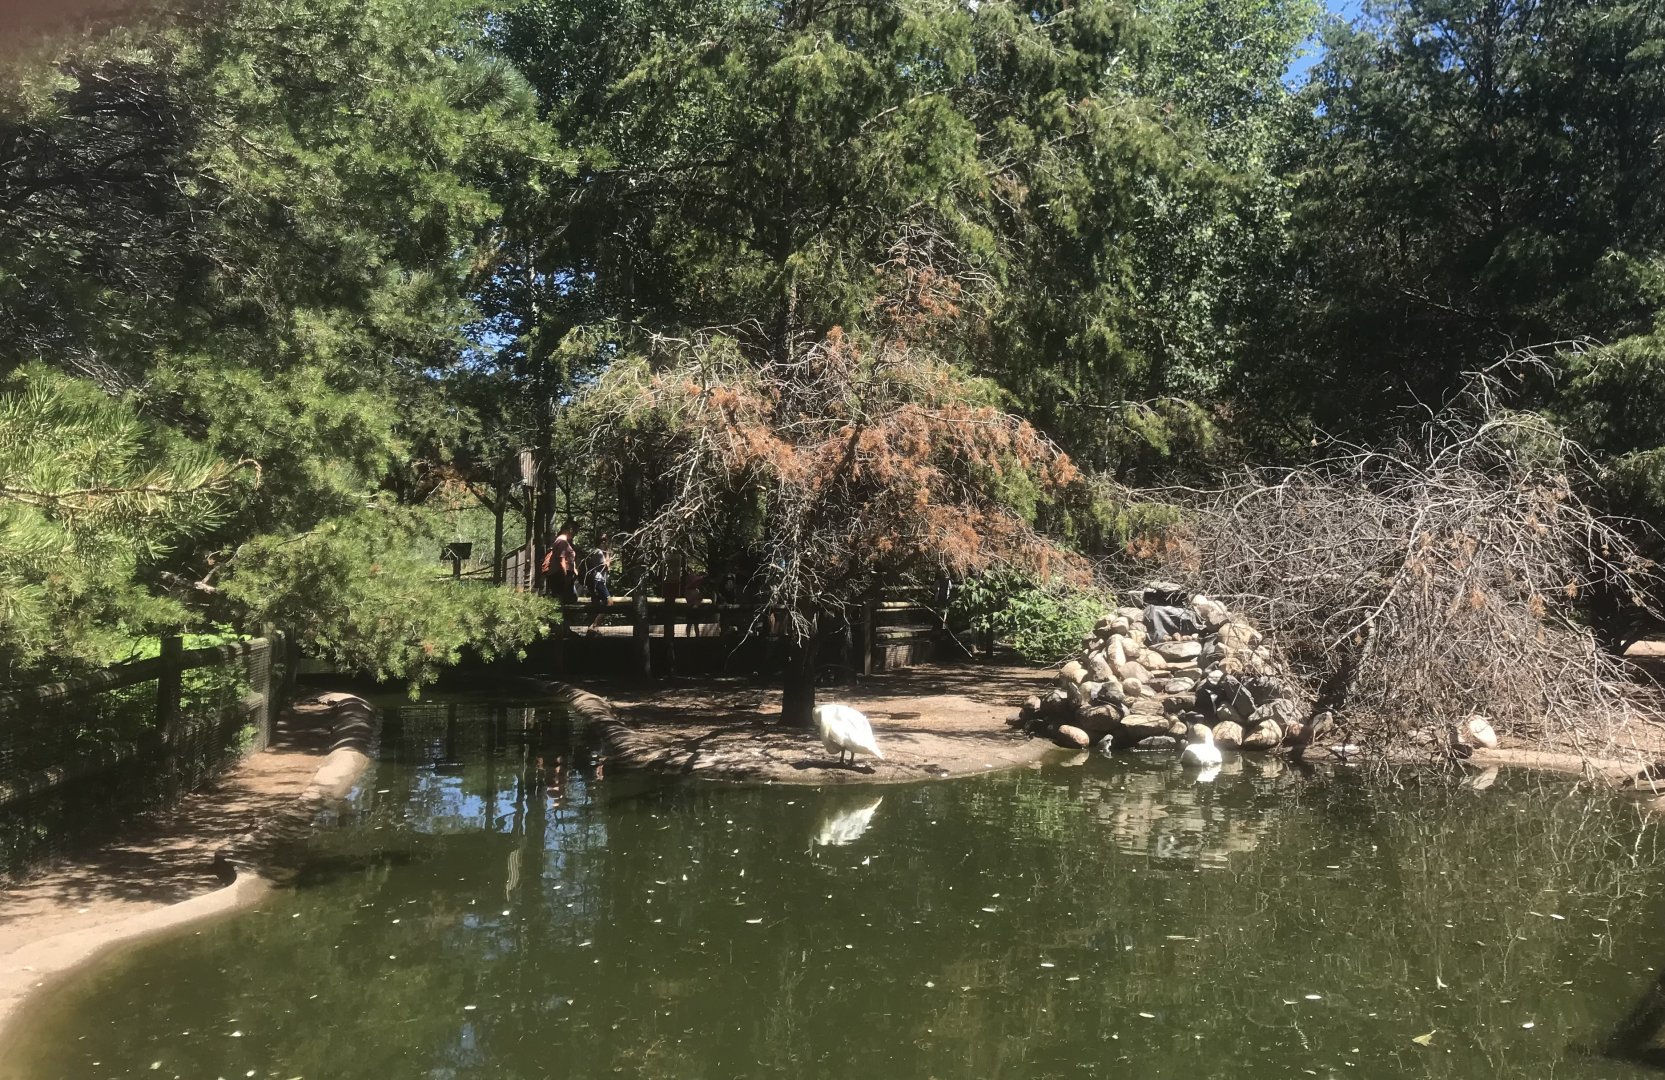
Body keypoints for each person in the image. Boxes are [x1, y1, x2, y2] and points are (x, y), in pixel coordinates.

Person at [542, 522, 579, 603]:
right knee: (565, 599)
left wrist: (574, 570)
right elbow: (561, 560)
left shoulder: (562, 541)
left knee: (567, 599)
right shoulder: (562, 542)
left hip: (562, 575)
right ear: (570, 530)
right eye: (575, 532)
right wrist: (565, 575)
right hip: (560, 575)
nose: (575, 534)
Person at [584, 533, 613, 635]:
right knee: (609, 602)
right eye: (601, 540)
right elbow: (607, 566)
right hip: (598, 581)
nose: (603, 542)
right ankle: (595, 625)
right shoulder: (598, 553)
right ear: (597, 542)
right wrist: (608, 553)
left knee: (596, 605)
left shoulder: (596, 552)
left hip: (595, 581)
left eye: (605, 540)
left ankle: (591, 629)